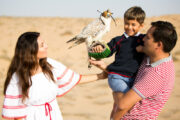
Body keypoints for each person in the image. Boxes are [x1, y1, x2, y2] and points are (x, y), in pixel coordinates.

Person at [2, 32, 106, 120]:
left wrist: (101, 76)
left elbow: (74, 79)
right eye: (42, 45)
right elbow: (16, 111)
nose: (47, 46)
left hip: (54, 114)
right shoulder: (18, 77)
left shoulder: (49, 64)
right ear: (31, 50)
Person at [90, 20, 177, 120]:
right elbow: (125, 74)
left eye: (148, 37)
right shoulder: (149, 57)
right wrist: (105, 67)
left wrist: (115, 91)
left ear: (158, 45)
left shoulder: (158, 73)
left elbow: (122, 104)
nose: (143, 39)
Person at [92, 6, 146, 119]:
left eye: (133, 24)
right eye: (127, 23)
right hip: (117, 77)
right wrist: (99, 47)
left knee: (121, 105)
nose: (129, 27)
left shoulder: (144, 40)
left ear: (141, 26)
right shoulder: (118, 40)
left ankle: (113, 115)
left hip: (134, 79)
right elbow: (107, 51)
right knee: (126, 103)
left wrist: (143, 49)